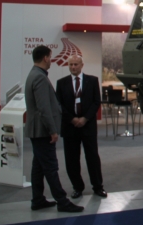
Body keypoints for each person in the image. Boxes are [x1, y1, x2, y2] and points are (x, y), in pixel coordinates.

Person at [24, 45, 83, 213]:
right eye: (50, 57)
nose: (51, 60)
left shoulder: (33, 74)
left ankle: (37, 199)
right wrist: (53, 130)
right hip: (43, 131)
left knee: (39, 167)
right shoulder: (40, 78)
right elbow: (44, 108)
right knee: (50, 167)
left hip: (37, 130)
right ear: (45, 58)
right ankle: (62, 201)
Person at [56, 55, 107, 199]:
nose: (73, 67)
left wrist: (85, 118)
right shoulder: (61, 83)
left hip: (88, 126)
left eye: (76, 64)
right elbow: (59, 105)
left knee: (92, 157)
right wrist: (72, 119)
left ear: (82, 65)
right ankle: (77, 187)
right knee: (71, 159)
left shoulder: (92, 81)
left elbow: (96, 102)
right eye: (71, 64)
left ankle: (98, 186)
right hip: (69, 127)